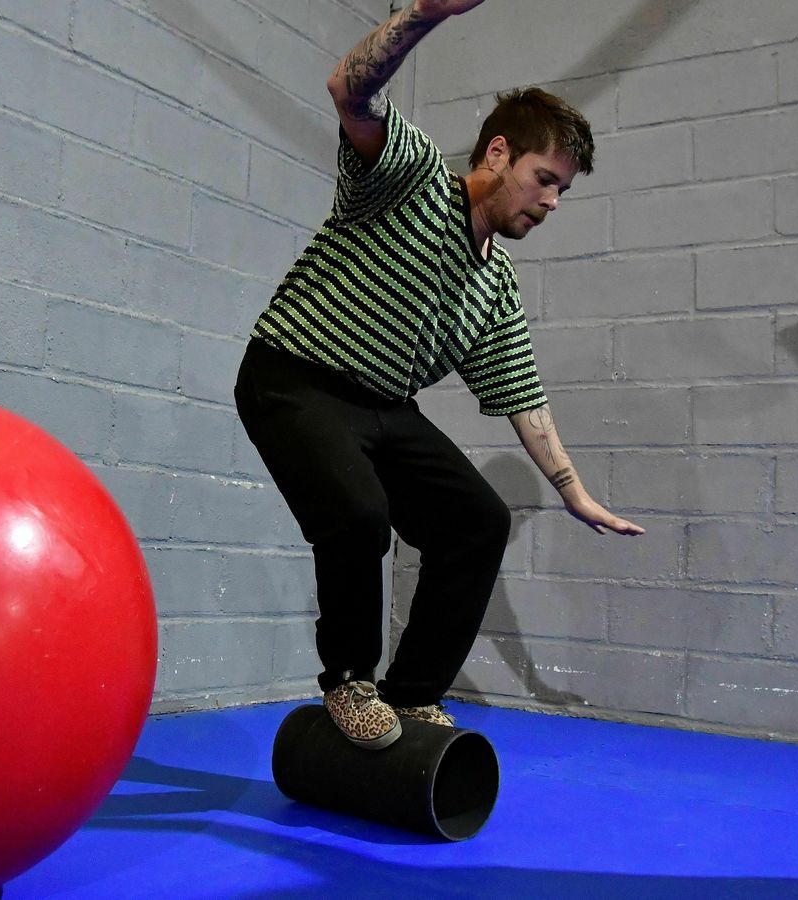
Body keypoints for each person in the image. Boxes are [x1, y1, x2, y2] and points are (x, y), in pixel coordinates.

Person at [234, 0, 643, 751]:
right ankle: (349, 683)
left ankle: (414, 694)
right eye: (544, 179)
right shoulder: (410, 176)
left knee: (477, 524)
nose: (551, 202)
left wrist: (573, 491)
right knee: (359, 515)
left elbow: (522, 391)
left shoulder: (497, 283)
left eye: (563, 191)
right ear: (496, 154)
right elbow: (349, 91)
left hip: (384, 404)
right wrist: (425, 13)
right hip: (294, 376)